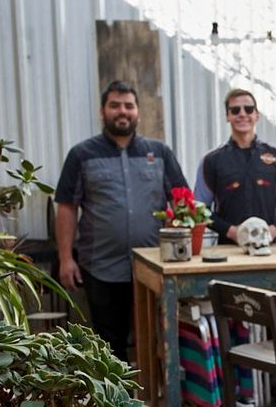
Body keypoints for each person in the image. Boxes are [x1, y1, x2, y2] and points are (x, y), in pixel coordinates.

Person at [54, 80, 188, 361]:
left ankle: (152, 388)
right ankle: (117, 390)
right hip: (101, 266)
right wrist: (66, 258)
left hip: (153, 265)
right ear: (103, 111)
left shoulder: (159, 153)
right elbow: (67, 207)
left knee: (155, 339)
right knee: (109, 343)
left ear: (138, 111)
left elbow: (182, 202)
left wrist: (180, 248)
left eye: (129, 105)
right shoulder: (82, 154)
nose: (122, 111)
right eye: (115, 105)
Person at [196, 88, 276, 244]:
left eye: (249, 109)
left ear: (257, 115)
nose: (242, 114)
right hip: (229, 247)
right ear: (227, 116)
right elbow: (200, 209)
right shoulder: (211, 160)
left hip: (271, 247)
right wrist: (231, 232)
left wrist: (273, 231)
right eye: (235, 110)